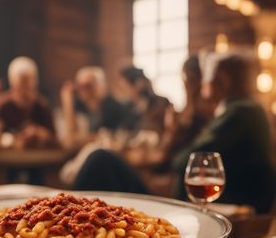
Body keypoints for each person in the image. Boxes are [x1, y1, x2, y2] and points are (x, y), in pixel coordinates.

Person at [172, 53, 275, 212]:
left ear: (219, 81)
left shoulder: (240, 112)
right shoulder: (250, 108)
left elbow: (183, 162)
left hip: (245, 210)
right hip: (247, 202)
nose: (204, 83)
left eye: (207, 75)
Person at [0, 56, 55, 148]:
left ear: (35, 83)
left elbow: (54, 138)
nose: (24, 91)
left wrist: (39, 133)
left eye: (28, 86)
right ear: (12, 83)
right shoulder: (0, 103)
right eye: (20, 86)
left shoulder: (42, 105)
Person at [60, 66, 126, 147]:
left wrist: (80, 138)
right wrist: (67, 101)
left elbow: (111, 138)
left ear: (101, 85)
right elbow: (70, 139)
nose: (84, 91)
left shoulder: (112, 107)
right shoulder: (81, 107)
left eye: (88, 86)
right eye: (80, 86)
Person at [118, 66, 170, 134]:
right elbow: (124, 130)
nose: (123, 92)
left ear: (138, 84)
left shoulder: (161, 103)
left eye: (124, 88)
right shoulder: (131, 107)